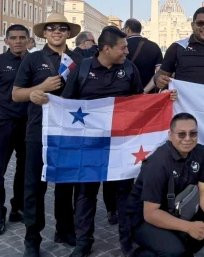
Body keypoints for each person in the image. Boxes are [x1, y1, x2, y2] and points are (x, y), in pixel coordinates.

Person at [61, 27, 147, 257]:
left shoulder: (129, 68)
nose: (127, 52)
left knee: (124, 194)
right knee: (86, 194)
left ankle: (128, 242)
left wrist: (165, 99)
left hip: (121, 144)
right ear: (106, 49)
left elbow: (140, 102)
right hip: (89, 145)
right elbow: (66, 104)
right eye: (123, 47)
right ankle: (83, 243)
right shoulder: (83, 69)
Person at [12, 13, 83, 257]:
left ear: (68, 32)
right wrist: (37, 90)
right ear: (44, 33)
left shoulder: (79, 59)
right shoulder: (33, 59)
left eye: (62, 27)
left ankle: (64, 229)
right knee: (34, 186)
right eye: (51, 28)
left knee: (66, 185)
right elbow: (16, 94)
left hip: (69, 131)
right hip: (38, 131)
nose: (56, 31)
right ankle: (32, 237)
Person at [127, 113, 204, 256]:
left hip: (177, 208)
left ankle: (183, 248)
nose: (188, 139)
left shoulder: (199, 152)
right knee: (175, 251)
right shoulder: (157, 163)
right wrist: (189, 227)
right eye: (181, 134)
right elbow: (150, 214)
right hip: (143, 218)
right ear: (170, 135)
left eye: (193, 133)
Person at [0, 24, 30, 236]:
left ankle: (18, 208)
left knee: (25, 172)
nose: (18, 41)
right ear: (7, 41)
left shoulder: (36, 62)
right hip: (3, 125)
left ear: (28, 40)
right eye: (13, 38)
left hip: (29, 126)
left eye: (22, 37)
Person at [124, 18, 164, 94]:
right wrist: (145, 91)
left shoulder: (121, 46)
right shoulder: (154, 46)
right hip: (148, 95)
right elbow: (159, 72)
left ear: (128, 30)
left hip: (125, 94)